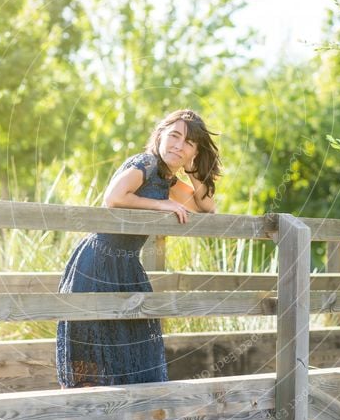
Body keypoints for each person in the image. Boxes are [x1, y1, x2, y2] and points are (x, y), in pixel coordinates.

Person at [56, 108, 222, 389]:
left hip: (127, 266)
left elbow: (207, 207)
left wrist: (193, 166)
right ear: (159, 136)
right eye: (174, 136)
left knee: (130, 351)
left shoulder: (168, 180)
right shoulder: (145, 163)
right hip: (97, 261)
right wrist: (162, 205)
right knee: (93, 354)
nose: (178, 145)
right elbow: (114, 197)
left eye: (188, 142)